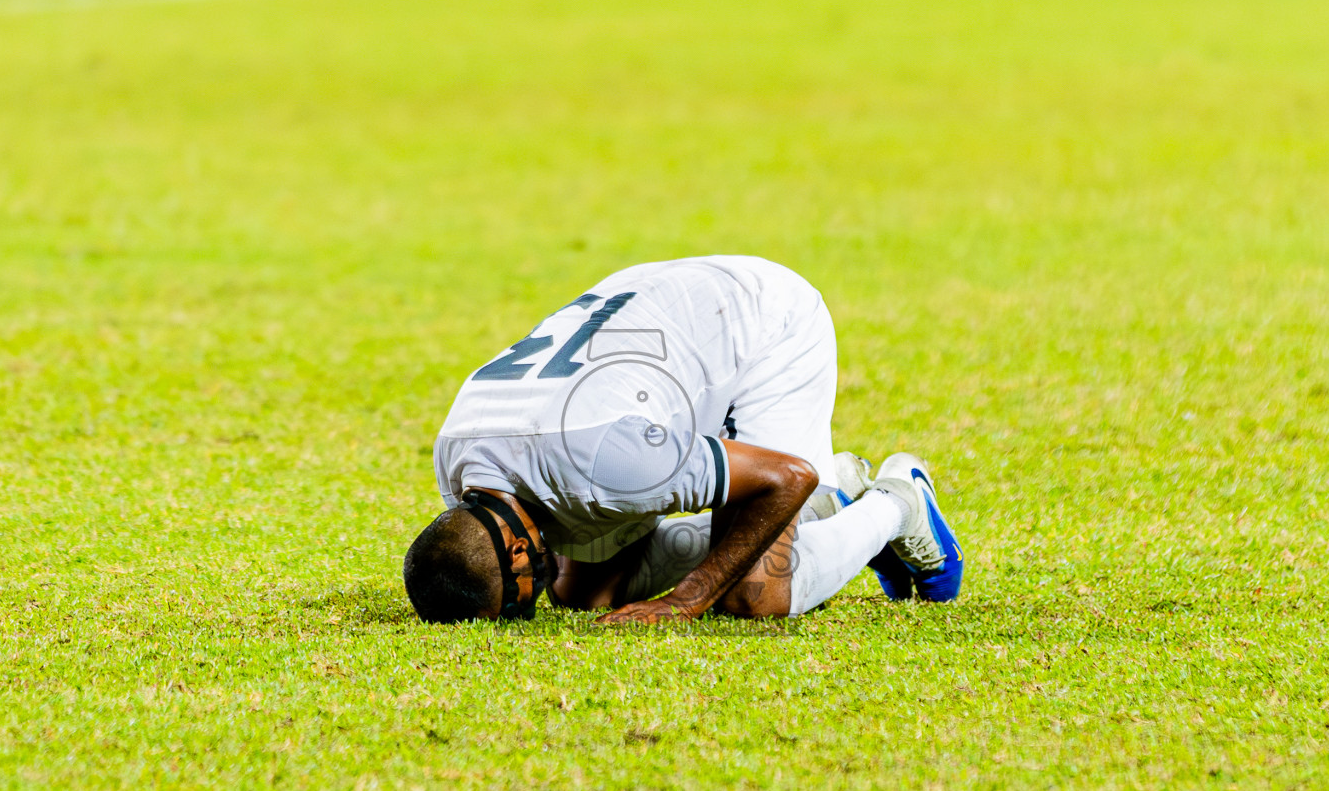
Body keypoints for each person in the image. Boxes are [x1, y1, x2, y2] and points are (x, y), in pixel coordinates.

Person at [402, 255, 963, 624]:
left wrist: (687, 600)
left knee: (754, 595)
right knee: (583, 592)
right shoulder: (458, 463)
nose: (527, 606)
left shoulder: (605, 465)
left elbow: (788, 476)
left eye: (517, 598)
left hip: (766, 323)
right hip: (652, 308)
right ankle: (828, 502)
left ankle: (897, 502)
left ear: (518, 550)